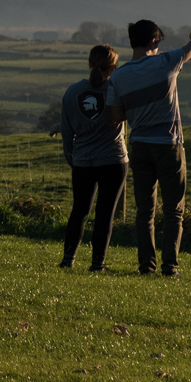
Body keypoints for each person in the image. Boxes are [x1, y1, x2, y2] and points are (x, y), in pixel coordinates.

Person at [109, 19, 191, 277]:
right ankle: (170, 267)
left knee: (145, 211)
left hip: (139, 146)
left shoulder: (117, 77)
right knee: (174, 209)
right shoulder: (167, 62)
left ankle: (146, 267)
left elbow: (117, 116)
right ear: (154, 41)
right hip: (169, 145)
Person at [58, 44, 126, 271]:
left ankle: (68, 260)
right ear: (114, 67)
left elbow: (67, 131)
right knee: (105, 213)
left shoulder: (71, 92)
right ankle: (97, 264)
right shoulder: (118, 90)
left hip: (83, 162)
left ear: (89, 64)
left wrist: (72, 157)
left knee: (79, 211)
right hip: (113, 160)